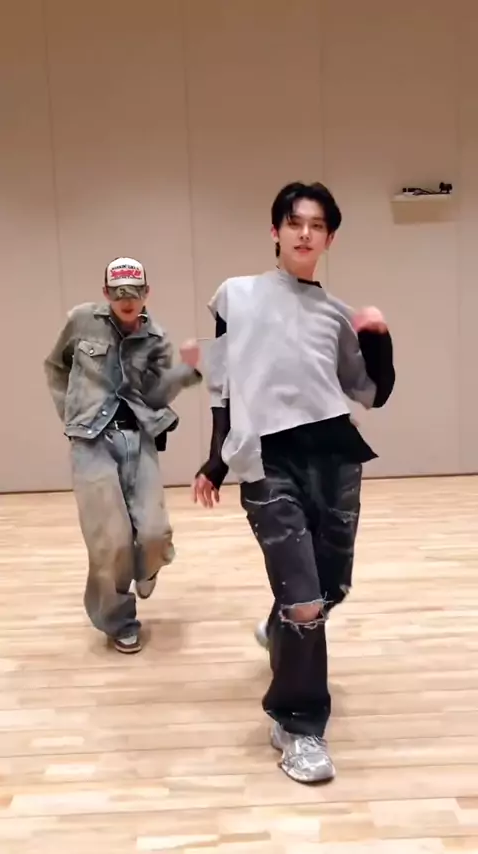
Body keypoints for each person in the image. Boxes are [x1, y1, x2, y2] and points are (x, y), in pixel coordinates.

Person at [192, 182, 395, 784]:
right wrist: (215, 459)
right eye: (294, 222)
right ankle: (299, 725)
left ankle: (280, 627)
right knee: (305, 603)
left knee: (327, 592)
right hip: (268, 460)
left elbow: (371, 392)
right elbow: (223, 381)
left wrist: (379, 339)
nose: (305, 233)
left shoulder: (337, 314)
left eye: (317, 225)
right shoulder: (236, 294)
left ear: (330, 238)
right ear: (276, 230)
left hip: (335, 458)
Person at [45, 257, 201, 653]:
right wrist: (70, 411)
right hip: (91, 441)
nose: (127, 301)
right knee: (110, 541)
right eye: (118, 294)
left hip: (138, 438)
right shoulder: (81, 320)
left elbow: (157, 394)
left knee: (154, 533)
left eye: (134, 293)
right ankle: (119, 621)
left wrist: (187, 371)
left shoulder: (156, 337)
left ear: (147, 293)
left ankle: (145, 566)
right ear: (106, 293)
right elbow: (55, 365)